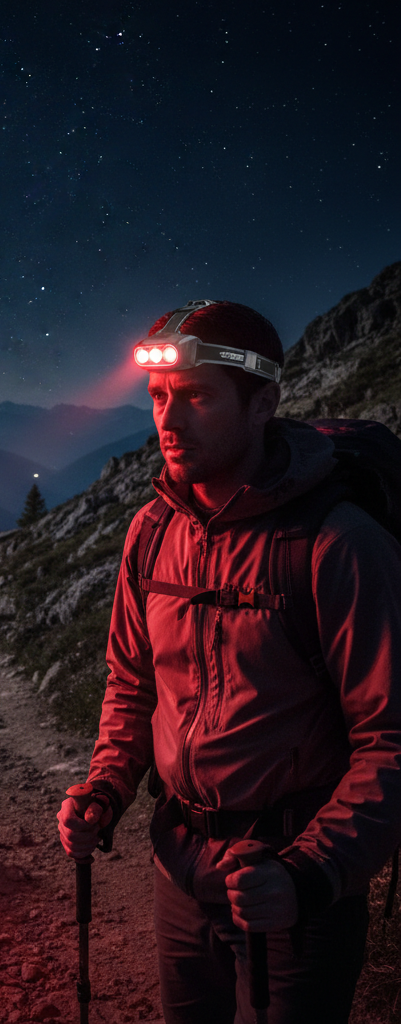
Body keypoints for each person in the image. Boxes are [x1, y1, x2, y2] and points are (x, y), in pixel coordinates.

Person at [56, 299, 401, 1023]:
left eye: (199, 397)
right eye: (158, 398)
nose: (169, 423)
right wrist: (105, 788)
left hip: (290, 882)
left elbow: (390, 742)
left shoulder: (338, 544)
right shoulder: (152, 532)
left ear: (262, 404)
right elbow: (132, 683)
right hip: (178, 867)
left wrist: (308, 874)